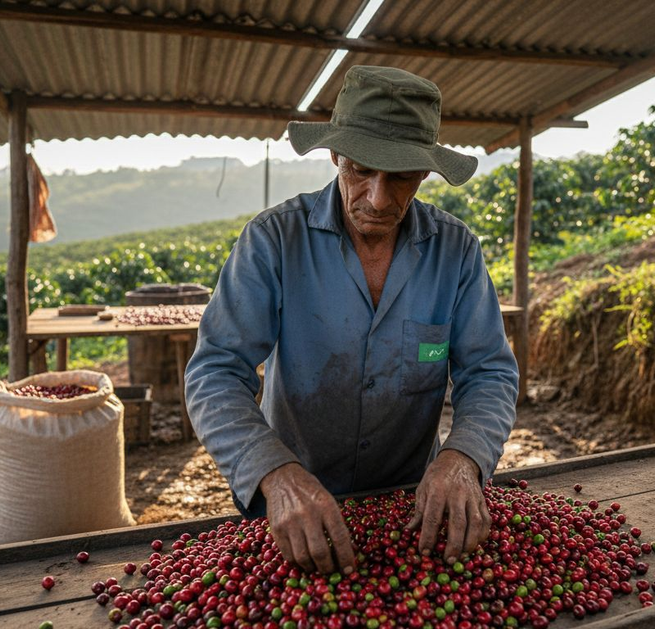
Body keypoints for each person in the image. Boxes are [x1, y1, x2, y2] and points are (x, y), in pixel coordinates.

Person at [185, 65, 518, 576]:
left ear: (425, 173)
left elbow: (489, 372)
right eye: (361, 170)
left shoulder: (456, 252)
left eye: (401, 177)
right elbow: (214, 373)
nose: (378, 199)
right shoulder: (274, 241)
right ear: (337, 155)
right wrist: (276, 475)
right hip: (291, 511)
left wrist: (463, 458)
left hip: (409, 512)